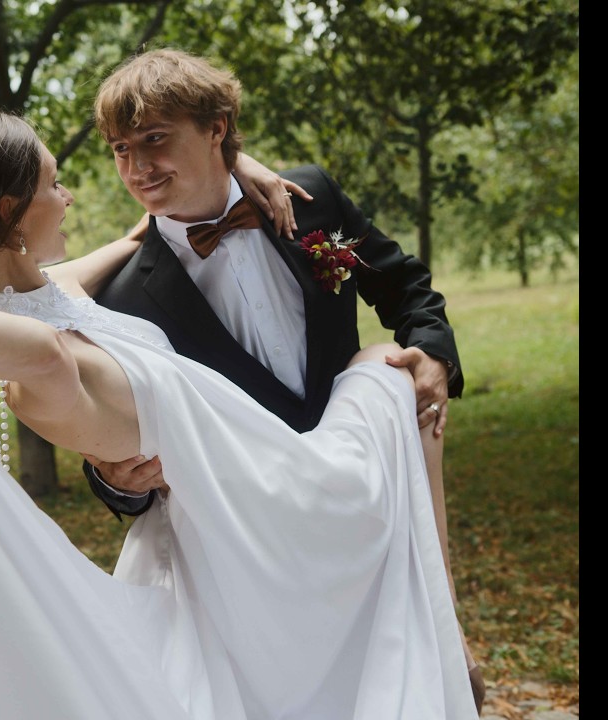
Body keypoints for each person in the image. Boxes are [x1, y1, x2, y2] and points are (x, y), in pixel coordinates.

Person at [0, 111, 478, 719]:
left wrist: (239, 162)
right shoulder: (37, 367)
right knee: (388, 371)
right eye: (55, 184)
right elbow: (25, 345)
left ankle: (444, 629)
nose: (69, 196)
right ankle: (443, 629)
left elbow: (141, 230)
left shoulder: (58, 291)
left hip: (261, 488)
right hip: (260, 515)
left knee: (397, 371)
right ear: (11, 210)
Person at [80, 49, 482, 708]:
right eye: (121, 150)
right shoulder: (123, 297)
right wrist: (116, 480)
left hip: (364, 495)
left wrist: (433, 354)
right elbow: (116, 436)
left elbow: (404, 286)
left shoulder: (309, 200)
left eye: (154, 139)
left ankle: (443, 640)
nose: (136, 167)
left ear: (216, 128)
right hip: (254, 549)